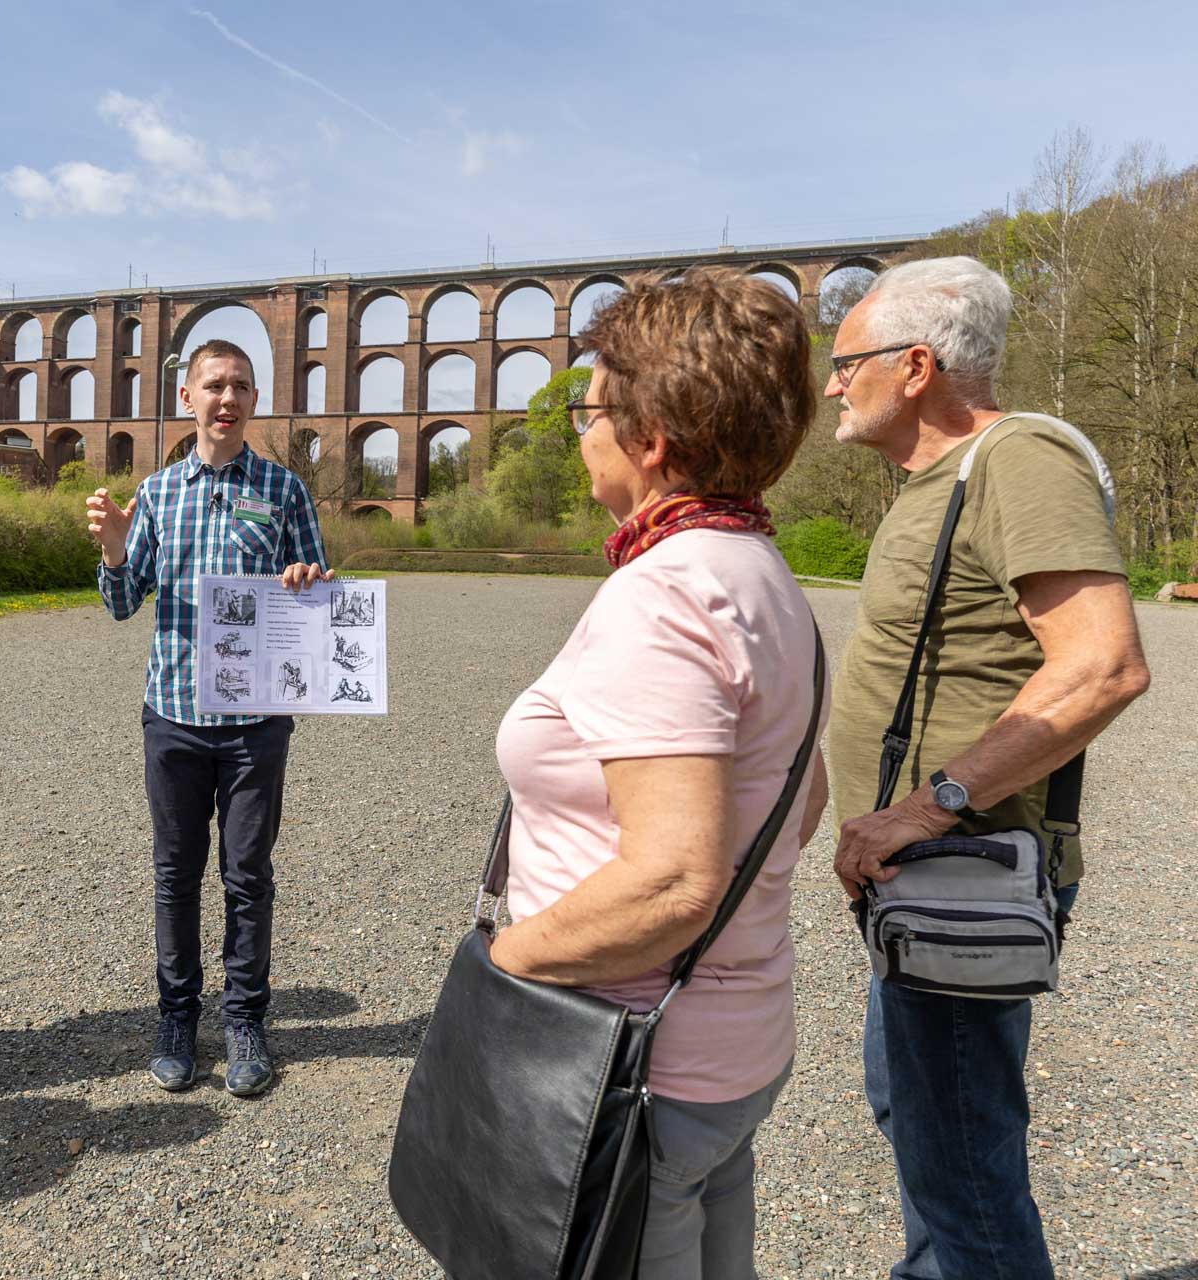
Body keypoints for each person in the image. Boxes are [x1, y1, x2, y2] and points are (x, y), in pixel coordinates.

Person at [485, 272, 830, 1279]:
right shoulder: (764, 576)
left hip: (636, 1058)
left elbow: (676, 879)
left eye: (590, 412)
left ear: (653, 440)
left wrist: (511, 961)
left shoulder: (666, 596)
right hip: (731, 1044)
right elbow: (800, 798)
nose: (579, 432)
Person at [825, 256, 1151, 1279]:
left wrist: (932, 806)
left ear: (915, 365)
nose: (833, 383)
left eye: (846, 363)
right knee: (920, 1118)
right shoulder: (937, 482)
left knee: (962, 1160)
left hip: (963, 869)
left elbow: (1101, 665)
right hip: (918, 876)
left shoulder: (1017, 459)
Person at [85, 338, 330, 1097]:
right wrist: (118, 552)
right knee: (175, 873)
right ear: (187, 398)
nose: (228, 399)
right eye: (215, 385)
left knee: (248, 874)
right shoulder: (157, 494)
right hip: (176, 714)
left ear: (254, 402)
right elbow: (124, 607)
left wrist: (306, 579)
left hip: (257, 721)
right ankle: (176, 1017)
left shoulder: (285, 490)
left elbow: (320, 596)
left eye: (242, 387)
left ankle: (246, 1019)